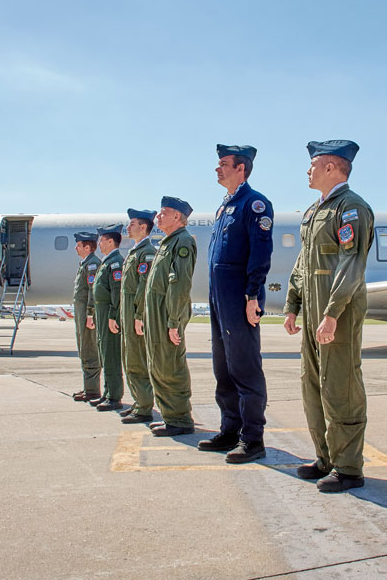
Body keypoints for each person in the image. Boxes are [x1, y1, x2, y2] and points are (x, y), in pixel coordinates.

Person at [284, 140, 374, 492]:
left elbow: (352, 264)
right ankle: (325, 458)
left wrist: (333, 313)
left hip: (338, 312)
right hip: (312, 312)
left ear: (331, 168)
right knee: (313, 386)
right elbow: (303, 264)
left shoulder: (351, 208)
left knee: (341, 387)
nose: (308, 171)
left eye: (313, 165)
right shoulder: (313, 211)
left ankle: (349, 468)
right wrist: (292, 305)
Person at [198, 144, 273, 464]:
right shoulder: (224, 206)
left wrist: (252, 295)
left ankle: (253, 438)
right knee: (224, 368)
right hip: (219, 298)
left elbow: (260, 253)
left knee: (245, 368)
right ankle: (230, 429)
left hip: (239, 297)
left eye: (224, 163)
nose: (218, 169)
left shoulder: (254, 204)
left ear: (241, 168)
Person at [145, 197, 197, 437]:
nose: (158, 217)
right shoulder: (168, 242)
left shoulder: (183, 241)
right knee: (159, 364)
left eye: (163, 212)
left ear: (177, 217)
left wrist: (173, 321)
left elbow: (179, 284)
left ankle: (180, 420)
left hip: (168, 312)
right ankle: (170, 417)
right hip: (158, 312)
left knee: (171, 365)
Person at [119, 208, 158, 424]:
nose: (128, 227)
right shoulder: (135, 252)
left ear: (143, 227)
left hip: (135, 314)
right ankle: (138, 402)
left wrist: (139, 315)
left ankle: (144, 407)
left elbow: (144, 287)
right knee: (130, 359)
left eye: (132, 223)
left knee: (138, 361)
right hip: (127, 313)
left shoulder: (147, 252)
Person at [90, 223, 125, 411]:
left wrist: (113, 316)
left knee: (111, 354)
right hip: (102, 312)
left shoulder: (116, 262)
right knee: (104, 352)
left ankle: (114, 396)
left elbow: (117, 292)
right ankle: (107, 391)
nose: (99, 244)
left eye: (102, 240)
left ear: (111, 242)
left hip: (109, 314)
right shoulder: (107, 261)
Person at [71, 231, 102, 402]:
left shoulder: (92, 265)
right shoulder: (85, 264)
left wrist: (90, 313)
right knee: (84, 348)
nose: (76, 248)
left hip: (87, 316)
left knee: (89, 349)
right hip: (81, 314)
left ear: (88, 247)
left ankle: (92, 390)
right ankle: (89, 387)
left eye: (79, 245)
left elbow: (92, 291)